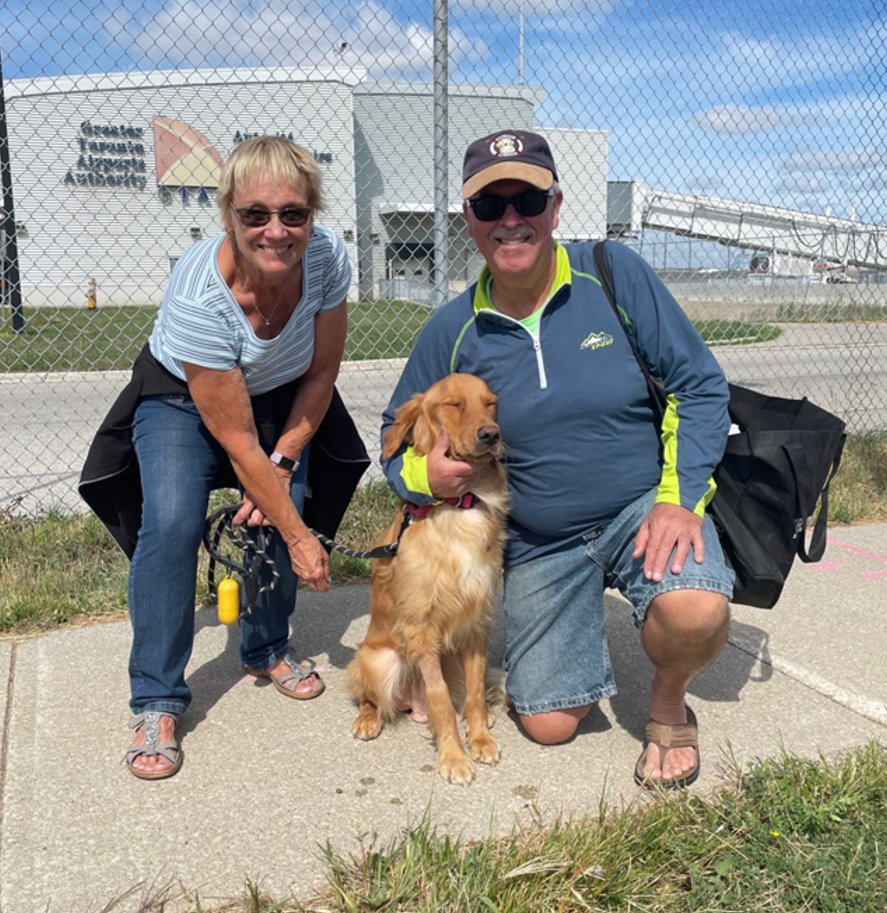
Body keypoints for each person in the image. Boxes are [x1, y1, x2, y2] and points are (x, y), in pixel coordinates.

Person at [380, 130, 735, 789]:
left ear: (556, 205)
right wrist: (423, 476)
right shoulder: (451, 327)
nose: (511, 219)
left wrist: (677, 498)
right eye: (491, 206)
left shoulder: (613, 273)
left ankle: (665, 701)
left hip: (640, 508)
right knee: (548, 724)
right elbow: (392, 436)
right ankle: (579, 630)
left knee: (694, 611)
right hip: (541, 542)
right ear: (470, 221)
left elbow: (699, 384)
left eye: (527, 199)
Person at [79, 136, 367, 780]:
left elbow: (322, 375)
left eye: (293, 213)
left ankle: (264, 646)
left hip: (283, 393)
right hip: (182, 400)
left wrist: (286, 461)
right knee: (175, 521)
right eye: (254, 215)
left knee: (281, 501)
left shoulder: (326, 259)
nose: (275, 230)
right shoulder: (198, 296)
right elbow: (235, 440)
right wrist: (301, 540)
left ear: (313, 216)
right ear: (228, 214)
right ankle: (156, 697)